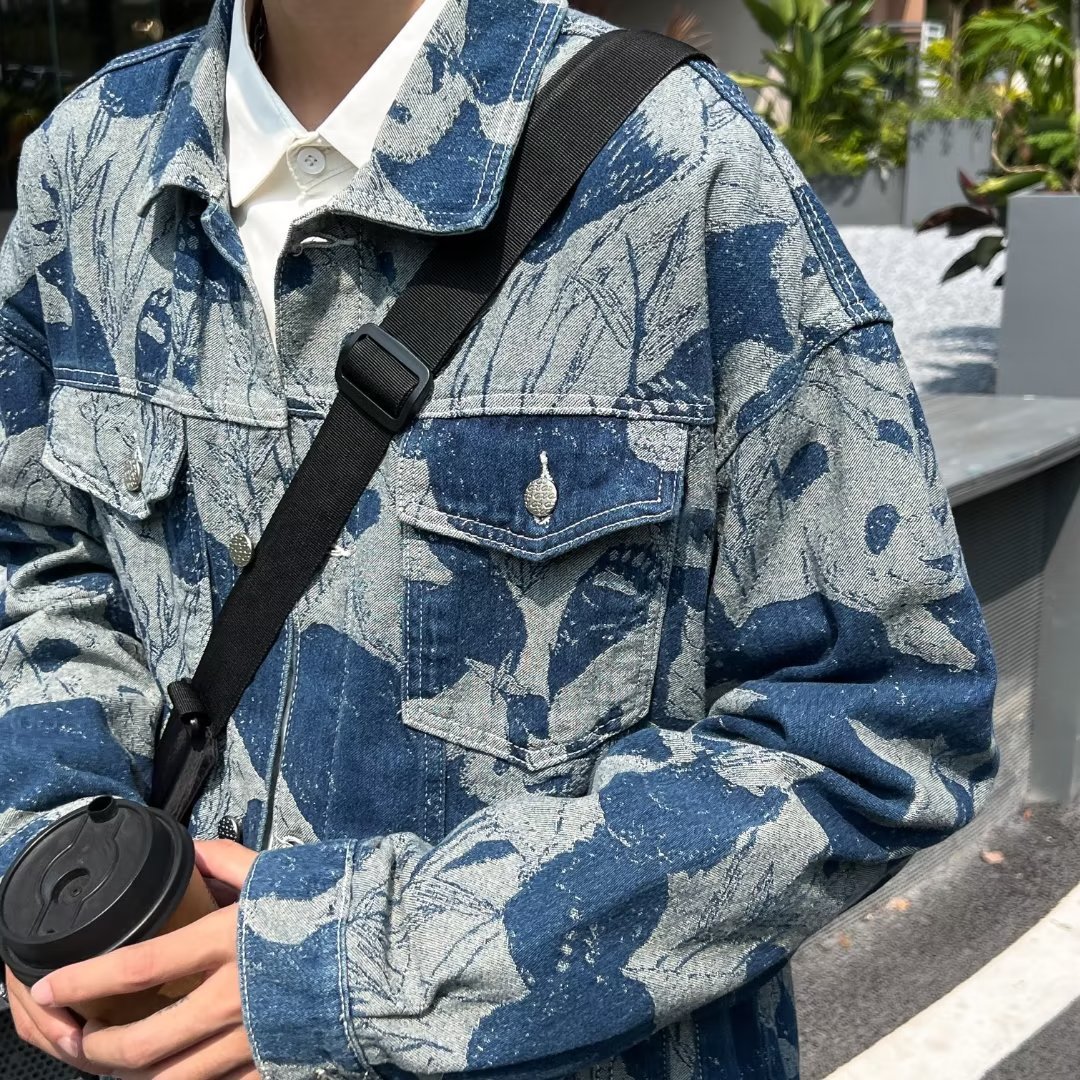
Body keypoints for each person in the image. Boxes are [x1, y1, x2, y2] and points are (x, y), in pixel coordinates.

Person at [0, 0, 998, 1078]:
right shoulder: (93, 158)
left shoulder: (678, 167)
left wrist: (357, 966)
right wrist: (52, 844)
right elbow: (35, 557)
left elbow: (881, 714)